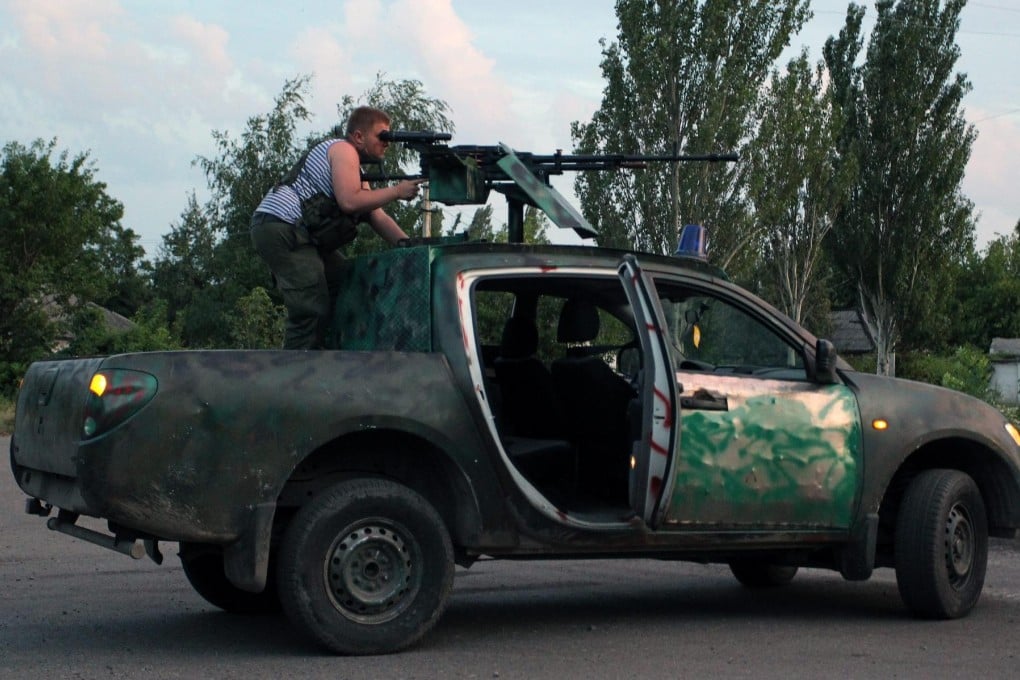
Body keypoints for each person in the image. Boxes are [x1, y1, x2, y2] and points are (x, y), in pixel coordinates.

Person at [250, 106, 424, 349]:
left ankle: (327, 354)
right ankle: (296, 373)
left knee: (347, 280)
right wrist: (396, 191)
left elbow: (376, 216)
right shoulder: (343, 150)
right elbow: (349, 201)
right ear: (358, 136)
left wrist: (412, 248)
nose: (387, 144)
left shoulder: (356, 170)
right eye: (382, 136)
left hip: (299, 235)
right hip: (282, 227)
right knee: (311, 306)